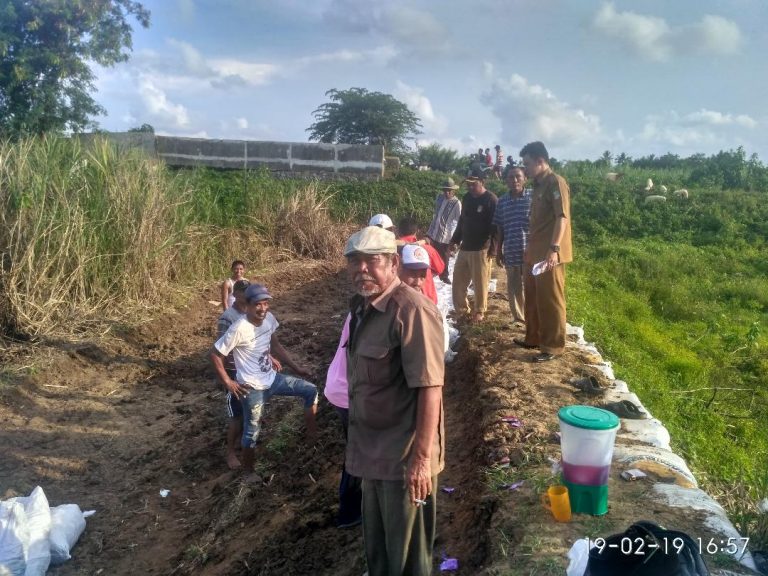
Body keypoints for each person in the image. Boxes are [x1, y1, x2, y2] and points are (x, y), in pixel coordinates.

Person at [343, 226, 445, 576]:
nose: (363, 270)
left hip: (402, 463)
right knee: (380, 555)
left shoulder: (412, 311)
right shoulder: (363, 308)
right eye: (355, 262)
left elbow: (430, 388)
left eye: (372, 261)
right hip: (371, 455)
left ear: (392, 264)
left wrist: (420, 460)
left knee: (408, 560)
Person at [210, 283, 319, 474]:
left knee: (310, 390)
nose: (262, 309)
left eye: (266, 304)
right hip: (251, 388)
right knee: (251, 432)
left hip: (272, 379)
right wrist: (228, 381)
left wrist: (297, 368)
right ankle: (248, 473)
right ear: (248, 305)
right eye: (258, 305)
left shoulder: (269, 319)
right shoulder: (239, 327)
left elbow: (275, 345)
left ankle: (312, 439)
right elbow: (215, 354)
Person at [516, 141, 573, 362]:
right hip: (534, 252)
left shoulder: (555, 183)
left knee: (550, 299)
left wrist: (554, 249)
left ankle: (552, 346)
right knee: (532, 297)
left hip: (549, 254)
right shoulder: (538, 185)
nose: (525, 169)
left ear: (541, 161)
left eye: (528, 164)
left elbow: (562, 218)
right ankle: (533, 338)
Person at [324, 314, 363, 528]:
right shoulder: (368, 314)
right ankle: (350, 514)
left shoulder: (362, 307)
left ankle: (352, 507)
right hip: (348, 393)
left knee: (357, 449)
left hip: (342, 387)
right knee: (359, 453)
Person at [450, 166, 498, 323]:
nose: (470, 187)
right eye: (468, 184)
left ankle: (479, 311)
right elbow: (462, 221)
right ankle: (462, 311)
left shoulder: (491, 200)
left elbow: (496, 226)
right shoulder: (467, 198)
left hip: (482, 248)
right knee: (458, 281)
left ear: (482, 182)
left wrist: (494, 247)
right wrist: (455, 240)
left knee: (480, 283)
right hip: (465, 247)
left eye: (473, 183)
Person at [216, 278, 250, 469]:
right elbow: (219, 350)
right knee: (236, 415)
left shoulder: (249, 313)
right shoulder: (227, 318)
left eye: (248, 291)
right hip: (234, 374)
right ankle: (230, 453)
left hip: (248, 371)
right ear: (235, 295)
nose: (246, 295)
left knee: (247, 410)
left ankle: (240, 444)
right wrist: (226, 379)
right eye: (243, 292)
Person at [493, 165, 532, 326]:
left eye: (518, 176)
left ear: (525, 179)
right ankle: (519, 318)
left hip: (531, 251)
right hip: (511, 249)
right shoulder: (502, 201)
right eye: (511, 177)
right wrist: (498, 250)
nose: (514, 180)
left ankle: (533, 318)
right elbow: (499, 228)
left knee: (532, 287)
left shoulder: (533, 197)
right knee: (514, 287)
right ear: (506, 180)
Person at [399, 243, 451, 355]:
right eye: (412, 274)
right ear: (397, 269)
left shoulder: (426, 310)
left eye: (423, 275)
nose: (418, 282)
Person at [396, 216, 444, 305]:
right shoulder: (427, 249)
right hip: (429, 301)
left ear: (398, 232)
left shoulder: (393, 251)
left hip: (403, 302)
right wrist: (425, 274)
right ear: (416, 232)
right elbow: (440, 268)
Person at [425, 178, 462, 285]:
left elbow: (459, 220)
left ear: (453, 191)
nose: (447, 192)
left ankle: (444, 276)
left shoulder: (456, 203)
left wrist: (456, 238)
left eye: (449, 190)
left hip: (445, 235)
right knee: (431, 254)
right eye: (445, 190)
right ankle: (431, 273)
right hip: (433, 231)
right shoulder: (439, 198)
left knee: (444, 256)